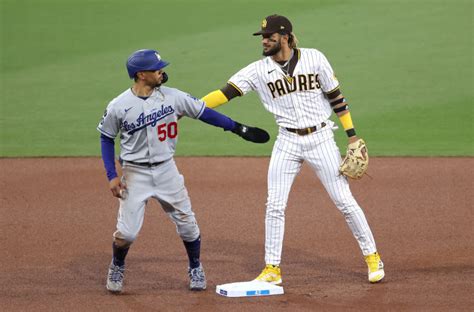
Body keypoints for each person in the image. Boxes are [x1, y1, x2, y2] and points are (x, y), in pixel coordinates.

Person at [201, 14, 385, 284]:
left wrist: (352, 136)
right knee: (274, 205)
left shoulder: (314, 58)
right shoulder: (257, 70)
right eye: (263, 36)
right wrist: (191, 106)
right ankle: (272, 269)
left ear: (285, 37)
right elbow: (224, 93)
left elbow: (337, 98)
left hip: (321, 138)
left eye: (269, 36)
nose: (264, 41)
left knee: (344, 201)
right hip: (286, 141)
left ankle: (373, 257)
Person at [97, 49, 269, 293]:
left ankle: (195, 266)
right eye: (156, 69)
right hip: (135, 174)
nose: (162, 72)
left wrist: (237, 128)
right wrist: (111, 175)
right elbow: (106, 138)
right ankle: (117, 264)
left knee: (188, 224)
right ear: (141, 75)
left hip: (167, 170)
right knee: (126, 234)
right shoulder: (119, 106)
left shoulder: (173, 97)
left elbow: (205, 113)